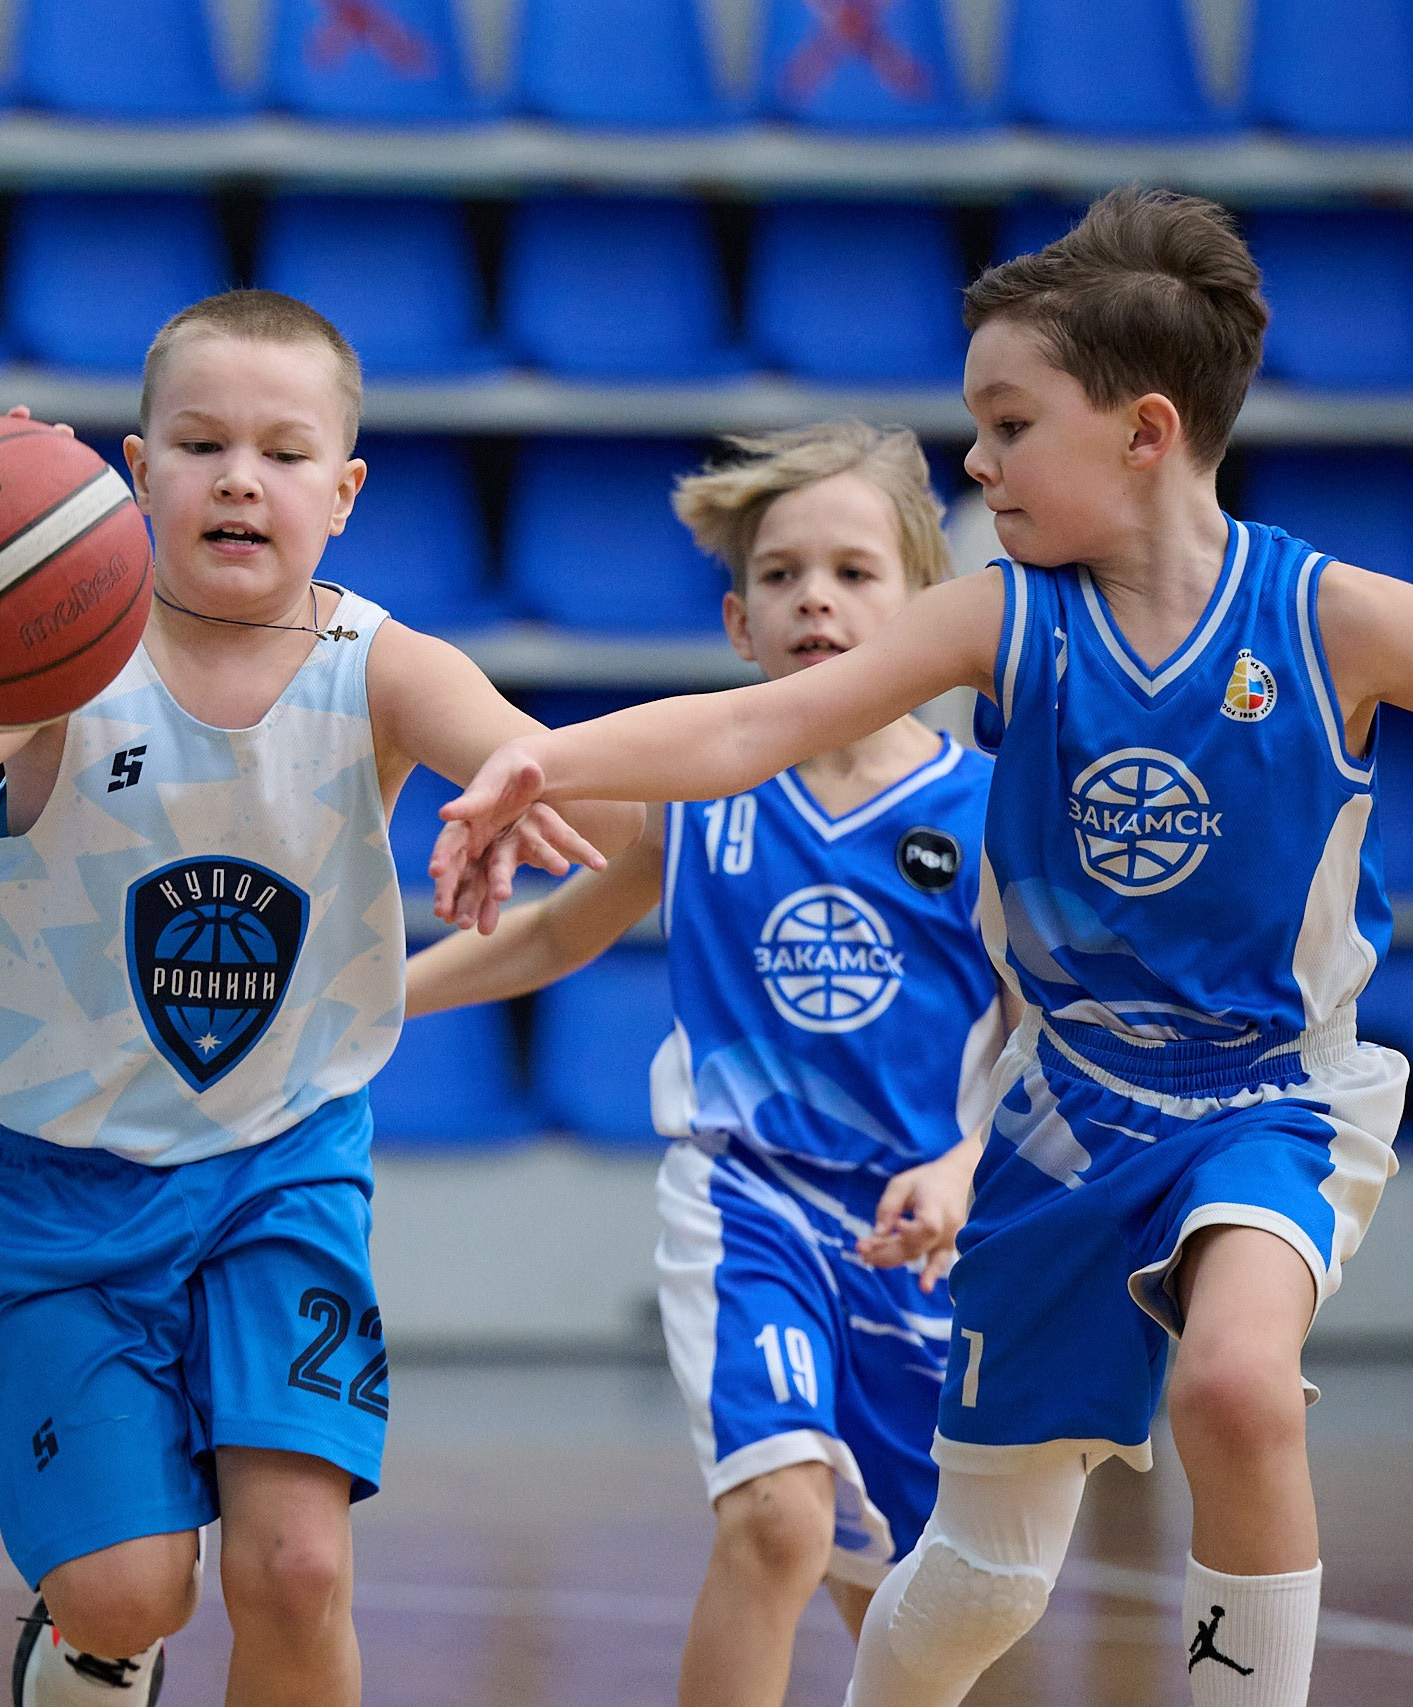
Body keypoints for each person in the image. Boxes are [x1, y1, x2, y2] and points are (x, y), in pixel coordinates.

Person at [426, 188, 1413, 1707]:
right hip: (1061, 1106)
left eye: (1007, 421)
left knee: (1241, 1385)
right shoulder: (999, 619)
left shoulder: (1334, 618)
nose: (975, 460)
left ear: (1144, 431)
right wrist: (545, 761)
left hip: (1272, 1092)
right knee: (978, 1578)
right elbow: (751, 722)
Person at [0, 288, 642, 1707]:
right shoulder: (54, 651)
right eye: (201, 444)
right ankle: (90, 1648)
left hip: (283, 1159)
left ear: (344, 490)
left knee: (297, 1565)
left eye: (282, 451)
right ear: (134, 475)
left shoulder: (384, 664)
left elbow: (519, 748)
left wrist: (516, 787)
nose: (239, 476)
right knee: (130, 1585)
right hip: (58, 1178)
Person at [405, 421, 1007, 1707]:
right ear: (738, 621)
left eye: (853, 572)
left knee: (907, 1599)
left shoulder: (990, 812)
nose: (817, 600)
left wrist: (968, 1161)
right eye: (784, 576)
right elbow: (560, 928)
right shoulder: (700, 790)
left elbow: (1042, 1033)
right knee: (779, 1522)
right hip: (750, 1206)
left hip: (925, 1229)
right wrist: (373, 1002)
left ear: (925, 612)